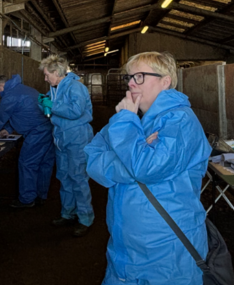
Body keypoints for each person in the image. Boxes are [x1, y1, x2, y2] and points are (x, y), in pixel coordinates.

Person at [84, 51, 212, 285]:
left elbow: (146, 168)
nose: (131, 83)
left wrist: (125, 128)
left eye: (140, 76)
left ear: (166, 81)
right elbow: (92, 159)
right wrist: (132, 156)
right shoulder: (134, 118)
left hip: (166, 249)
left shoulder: (180, 121)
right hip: (124, 246)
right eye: (130, 77)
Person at [39, 54, 94, 237]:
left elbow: (76, 111)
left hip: (77, 136)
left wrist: (51, 105)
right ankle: (67, 213)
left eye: (47, 75)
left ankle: (85, 218)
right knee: (64, 176)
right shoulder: (55, 88)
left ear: (56, 72)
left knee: (78, 177)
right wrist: (43, 103)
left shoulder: (75, 87)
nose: (45, 78)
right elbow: (51, 105)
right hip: (61, 137)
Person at [0, 74, 55, 208]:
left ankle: (27, 199)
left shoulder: (9, 96)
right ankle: (41, 195)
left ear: (1, 86)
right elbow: (20, 112)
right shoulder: (24, 89)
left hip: (36, 132)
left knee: (27, 163)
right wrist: (8, 130)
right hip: (48, 128)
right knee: (44, 163)